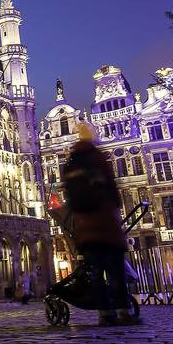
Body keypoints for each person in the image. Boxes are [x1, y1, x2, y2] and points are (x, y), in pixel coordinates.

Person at [62, 122, 133, 325]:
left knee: (95, 273)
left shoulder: (70, 163)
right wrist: (114, 206)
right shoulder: (97, 157)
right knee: (116, 270)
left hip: (85, 226)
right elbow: (111, 185)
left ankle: (104, 313)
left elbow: (68, 193)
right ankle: (122, 311)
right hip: (104, 221)